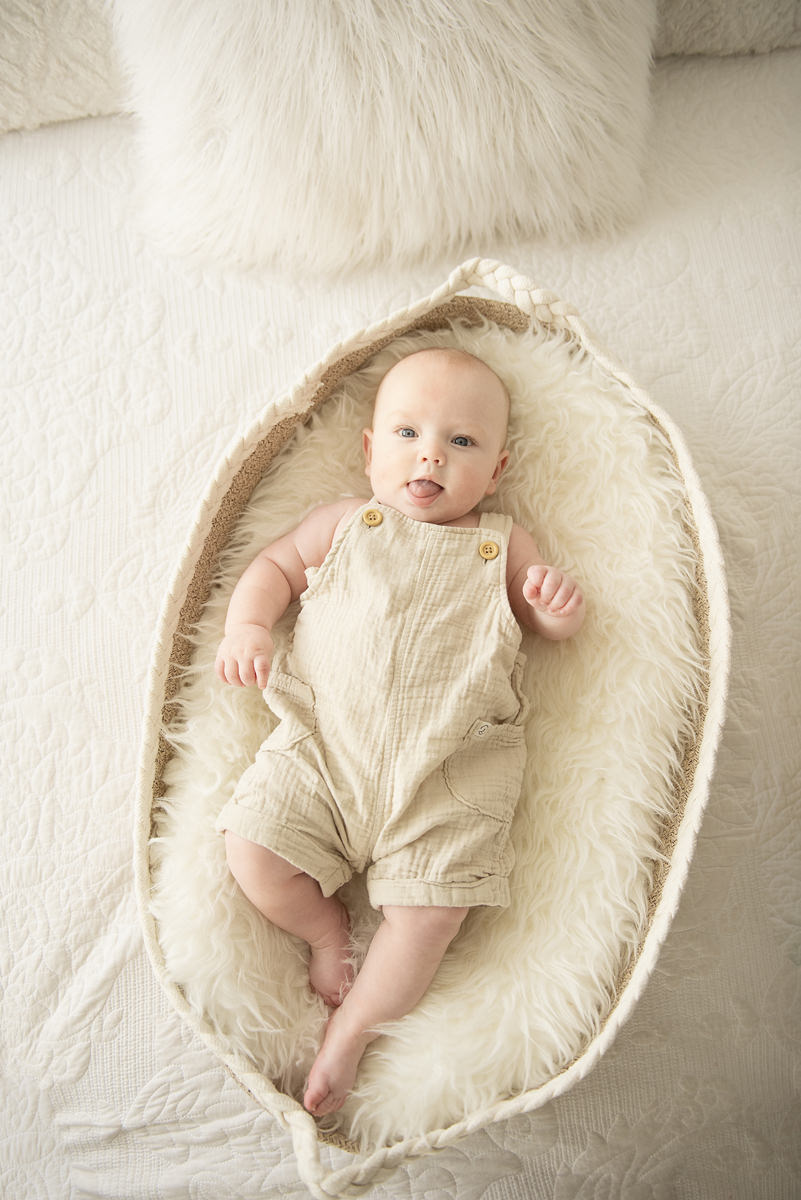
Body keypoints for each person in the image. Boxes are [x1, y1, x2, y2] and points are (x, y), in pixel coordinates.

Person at [215, 346, 585, 1117]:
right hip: (323, 753)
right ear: (369, 450)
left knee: (430, 917)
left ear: (497, 469)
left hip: (447, 774)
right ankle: (326, 934)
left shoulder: (500, 542)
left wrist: (554, 605)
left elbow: (547, 626)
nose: (430, 454)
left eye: (462, 441)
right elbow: (273, 568)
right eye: (408, 432)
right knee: (249, 845)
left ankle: (352, 1030)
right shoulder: (345, 523)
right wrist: (249, 627)